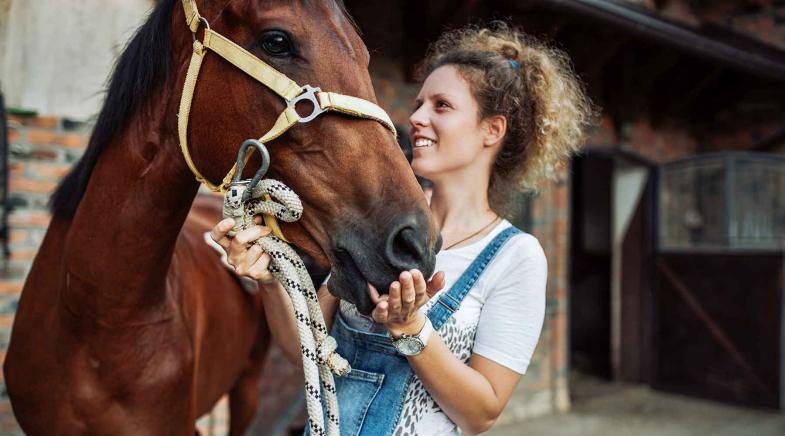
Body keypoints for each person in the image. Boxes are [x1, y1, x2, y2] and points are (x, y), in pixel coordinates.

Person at [210, 22, 594, 436]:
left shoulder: (516, 257)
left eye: (441, 105)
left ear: (491, 130)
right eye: (419, 103)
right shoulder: (373, 223)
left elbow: (481, 413)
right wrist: (270, 282)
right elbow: (306, 352)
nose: (416, 118)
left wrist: (412, 330)